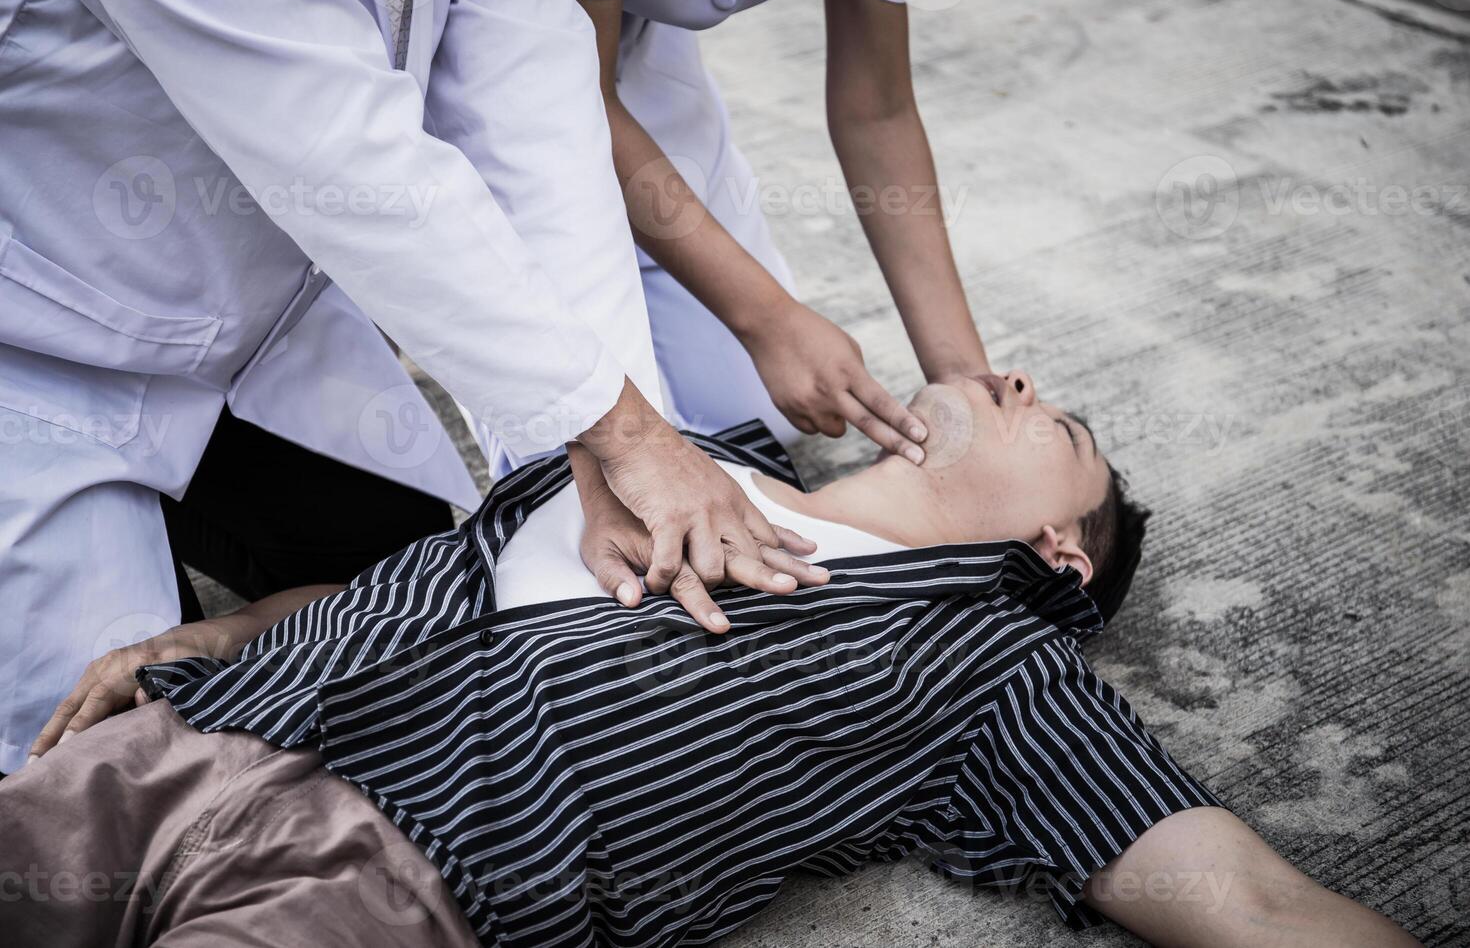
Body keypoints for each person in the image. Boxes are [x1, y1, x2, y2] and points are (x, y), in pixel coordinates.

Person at [8, 370, 1420, 948]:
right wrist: (227, 629)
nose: (1018, 382)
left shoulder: (991, 670)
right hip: (201, 737)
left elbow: (1245, 897)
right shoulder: (689, 446)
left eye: (1060, 428)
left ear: (1060, 547)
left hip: (404, 876)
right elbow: (445, 574)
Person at [0, 0, 816, 772]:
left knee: (395, 587)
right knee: (110, 763)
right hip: (37, 349)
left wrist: (605, 459)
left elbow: (531, 127)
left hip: (244, 323)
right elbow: (331, 140)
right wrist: (627, 433)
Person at [552, 0, 988, 464]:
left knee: (755, 426)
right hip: (514, 90)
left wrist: (964, 377)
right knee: (577, 476)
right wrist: (768, 318)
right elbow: (577, 103)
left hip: (647, 67)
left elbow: (878, 112)